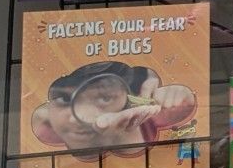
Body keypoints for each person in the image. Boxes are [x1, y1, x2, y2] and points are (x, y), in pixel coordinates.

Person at [30, 62, 198, 162]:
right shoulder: (46, 127)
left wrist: (181, 95)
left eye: (104, 98)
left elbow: (188, 104)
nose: (77, 119)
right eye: (65, 99)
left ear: (132, 98)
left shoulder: (154, 114)